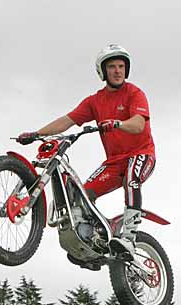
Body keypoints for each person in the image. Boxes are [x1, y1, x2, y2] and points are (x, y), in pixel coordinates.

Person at [18, 44, 156, 260]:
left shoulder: (135, 93)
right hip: (114, 163)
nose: (118, 71)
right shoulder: (95, 101)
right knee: (81, 194)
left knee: (131, 177)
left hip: (141, 154)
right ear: (103, 71)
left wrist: (117, 124)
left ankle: (128, 237)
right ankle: (93, 240)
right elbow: (67, 120)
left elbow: (138, 124)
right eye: (112, 67)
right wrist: (36, 133)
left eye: (121, 66)